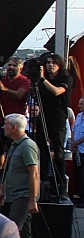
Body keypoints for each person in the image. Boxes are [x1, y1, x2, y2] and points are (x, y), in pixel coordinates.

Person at [0, 114, 40, 238]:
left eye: (6, 125)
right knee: (25, 232)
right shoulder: (15, 145)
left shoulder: (27, 146)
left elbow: (34, 173)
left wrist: (33, 199)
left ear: (14, 127)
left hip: (23, 195)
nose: (3, 127)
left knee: (11, 230)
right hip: (14, 193)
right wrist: (2, 190)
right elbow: (9, 171)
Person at [36, 53, 71, 201]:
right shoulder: (41, 81)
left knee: (58, 153)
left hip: (57, 120)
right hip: (43, 118)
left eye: (53, 63)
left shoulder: (66, 79)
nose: (50, 65)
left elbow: (57, 92)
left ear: (60, 65)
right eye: (48, 62)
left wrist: (43, 79)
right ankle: (42, 184)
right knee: (42, 152)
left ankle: (60, 186)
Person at [0, 57, 30, 121]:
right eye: (9, 65)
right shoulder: (1, 80)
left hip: (16, 119)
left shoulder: (25, 80)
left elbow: (19, 95)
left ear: (20, 68)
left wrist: (4, 89)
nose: (11, 67)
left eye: (14, 65)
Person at [71, 98, 84, 207]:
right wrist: (72, 143)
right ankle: (79, 196)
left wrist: (76, 143)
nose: (79, 106)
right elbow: (74, 129)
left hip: (83, 150)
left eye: (81, 104)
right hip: (77, 151)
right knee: (77, 175)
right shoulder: (79, 116)